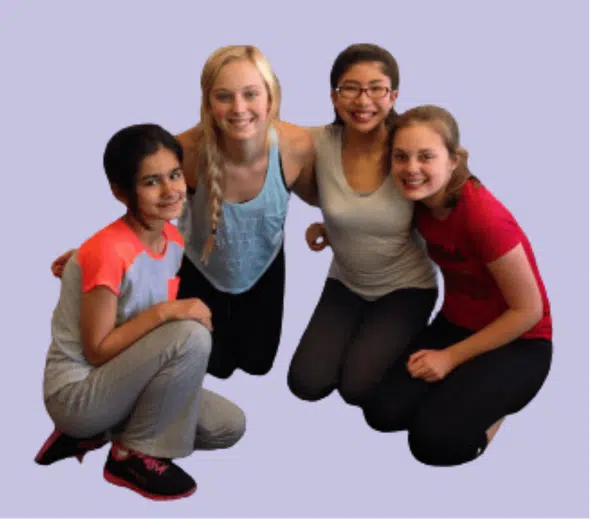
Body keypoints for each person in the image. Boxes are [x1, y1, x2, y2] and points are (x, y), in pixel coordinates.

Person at [52, 45, 317, 380]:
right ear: (208, 102)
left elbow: (330, 196)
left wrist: (324, 228)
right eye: (224, 96)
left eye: (251, 94)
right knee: (212, 365)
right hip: (201, 266)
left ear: (271, 97)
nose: (239, 108)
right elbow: (147, 208)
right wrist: (95, 256)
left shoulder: (298, 146)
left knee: (258, 363)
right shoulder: (185, 151)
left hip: (263, 266)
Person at [36, 124, 246, 500]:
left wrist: (81, 263)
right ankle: (129, 454)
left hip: (123, 382)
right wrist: (167, 311)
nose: (170, 190)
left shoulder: (172, 240)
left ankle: (100, 433)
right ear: (121, 192)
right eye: (151, 182)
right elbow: (97, 350)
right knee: (191, 333)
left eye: (175, 175)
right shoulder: (105, 252)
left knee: (229, 426)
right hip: (79, 392)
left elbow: (135, 285)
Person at [358, 104, 552, 466]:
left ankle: (493, 415)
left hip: (520, 342)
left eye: (426, 157)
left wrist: (450, 359)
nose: (412, 168)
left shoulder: (484, 218)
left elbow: (529, 311)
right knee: (382, 413)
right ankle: (464, 394)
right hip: (456, 325)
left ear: (454, 160)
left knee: (432, 443)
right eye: (401, 157)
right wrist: (326, 229)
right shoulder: (417, 201)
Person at [288, 44, 437, 408]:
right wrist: (329, 224)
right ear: (334, 97)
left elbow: (449, 177)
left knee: (358, 389)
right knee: (306, 384)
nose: (363, 100)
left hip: (406, 287)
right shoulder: (316, 142)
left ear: (394, 95)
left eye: (376, 88)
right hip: (346, 281)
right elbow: (265, 133)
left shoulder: (409, 147)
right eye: (350, 88)